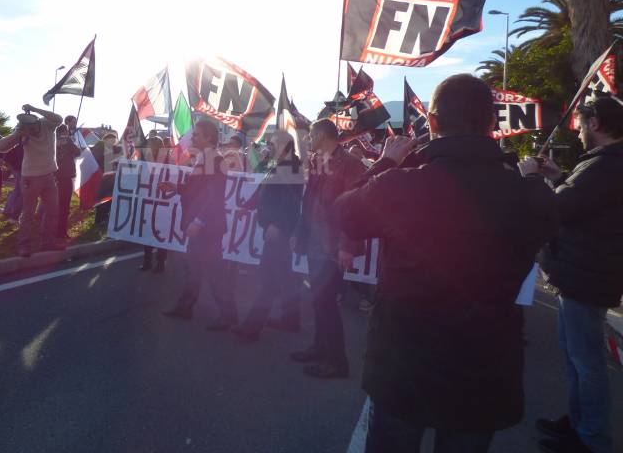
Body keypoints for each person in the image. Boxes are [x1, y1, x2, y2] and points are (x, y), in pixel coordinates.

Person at [337, 74, 558, 453]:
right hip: (485, 365)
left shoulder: (400, 184)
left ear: (433, 123)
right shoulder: (529, 196)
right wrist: (535, 181)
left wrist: (387, 162)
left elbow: (343, 214)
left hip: (404, 361)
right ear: (492, 123)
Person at [520, 95, 623, 453]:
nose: (577, 130)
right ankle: (581, 425)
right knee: (576, 356)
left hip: (585, 276)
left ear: (595, 124)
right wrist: (558, 175)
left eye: (580, 123)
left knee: (585, 360)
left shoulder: (605, 164)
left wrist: (532, 179)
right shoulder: (603, 163)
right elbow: (584, 203)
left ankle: (593, 438)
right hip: (581, 273)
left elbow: (557, 208)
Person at [290, 118, 365, 379]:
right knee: (318, 300)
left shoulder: (352, 165)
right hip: (314, 242)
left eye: (311, 135)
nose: (308, 140)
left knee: (327, 303)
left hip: (332, 246)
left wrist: (347, 246)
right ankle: (320, 349)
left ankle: (336, 362)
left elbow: (356, 209)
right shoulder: (316, 162)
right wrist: (299, 234)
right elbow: (308, 203)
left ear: (321, 135)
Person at [159, 120, 237, 329]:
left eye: (196, 135)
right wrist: (176, 187)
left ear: (209, 138)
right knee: (193, 268)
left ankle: (228, 315)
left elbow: (214, 196)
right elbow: (197, 191)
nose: (192, 139)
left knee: (214, 272)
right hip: (203, 226)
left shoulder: (215, 159)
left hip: (208, 227)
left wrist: (199, 221)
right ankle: (185, 307)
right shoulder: (204, 158)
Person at [232, 130, 304, 342]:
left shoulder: (291, 168)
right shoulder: (278, 165)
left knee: (267, 278)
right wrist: (247, 206)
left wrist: (278, 224)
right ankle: (291, 320)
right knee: (284, 276)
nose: (269, 148)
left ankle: (251, 327)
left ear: (285, 147)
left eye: (273, 145)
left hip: (278, 231)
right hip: (276, 229)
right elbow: (264, 189)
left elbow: (291, 201)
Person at [0, 104, 63, 256]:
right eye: (27, 128)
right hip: (30, 178)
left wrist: (34, 108)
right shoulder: (22, 131)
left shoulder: (47, 124)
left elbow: (59, 119)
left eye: (32, 127)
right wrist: (17, 134)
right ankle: (24, 246)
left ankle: (48, 243)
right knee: (28, 212)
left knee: (53, 211)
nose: (31, 131)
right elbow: (0, 147)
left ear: (37, 122)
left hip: (49, 175)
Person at [139, 136, 169, 273]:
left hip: (162, 200)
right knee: (147, 231)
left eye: (150, 144)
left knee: (161, 232)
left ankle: (161, 263)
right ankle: (147, 261)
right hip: (148, 199)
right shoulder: (145, 157)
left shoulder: (168, 158)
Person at [55, 124, 81, 241]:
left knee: (56, 205)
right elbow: (77, 152)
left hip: (55, 175)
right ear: (64, 131)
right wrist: (72, 140)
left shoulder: (53, 141)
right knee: (64, 206)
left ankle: (55, 230)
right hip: (65, 175)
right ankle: (61, 232)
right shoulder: (68, 140)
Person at [1, 142, 24, 225]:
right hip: (22, 169)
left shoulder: (17, 139)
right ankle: (15, 217)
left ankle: (7, 210)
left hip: (17, 168)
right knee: (23, 193)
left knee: (17, 190)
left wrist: (11, 167)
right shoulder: (26, 140)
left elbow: (7, 157)